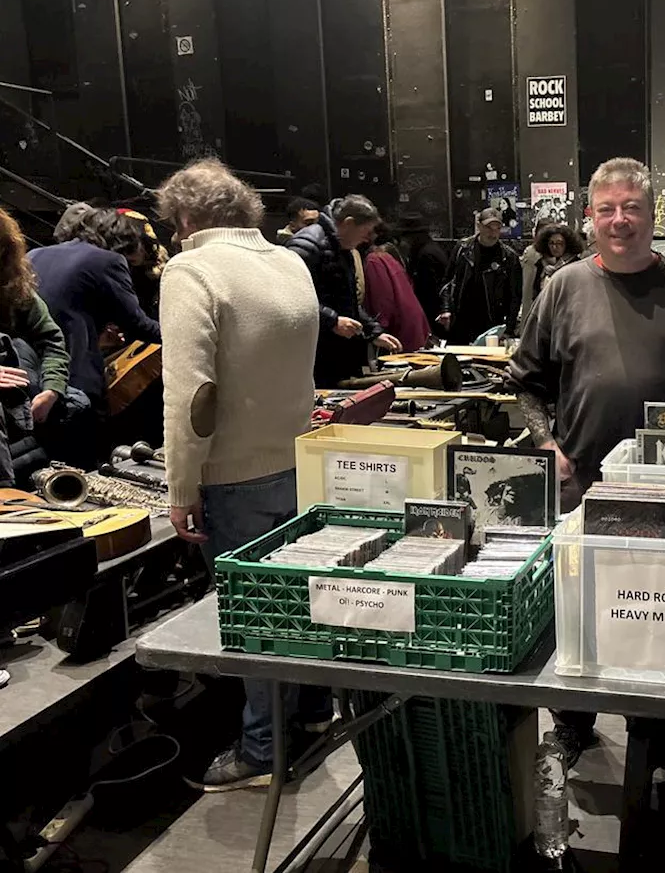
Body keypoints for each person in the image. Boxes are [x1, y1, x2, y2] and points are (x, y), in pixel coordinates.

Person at [506, 157, 665, 763]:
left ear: (650, 215)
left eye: (631, 208)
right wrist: (545, 443)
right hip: (583, 484)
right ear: (590, 217)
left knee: (663, 607)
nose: (619, 220)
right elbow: (527, 381)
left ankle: (661, 726)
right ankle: (575, 721)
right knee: (580, 607)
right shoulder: (563, 288)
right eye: (606, 209)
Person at [154, 158, 332, 792]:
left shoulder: (191, 269)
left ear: (185, 217)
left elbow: (191, 396)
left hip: (235, 474)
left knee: (257, 619)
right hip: (302, 463)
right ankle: (311, 718)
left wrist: (180, 489)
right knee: (303, 604)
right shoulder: (290, 263)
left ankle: (261, 752)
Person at [29, 205, 162, 411]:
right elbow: (138, 325)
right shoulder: (107, 260)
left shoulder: (34, 255)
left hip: (29, 373)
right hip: (71, 385)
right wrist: (184, 338)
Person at [286, 195, 401, 387]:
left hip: (339, 353)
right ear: (348, 223)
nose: (368, 239)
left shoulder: (342, 247)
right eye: (366, 232)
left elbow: (347, 302)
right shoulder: (306, 245)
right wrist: (332, 321)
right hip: (316, 357)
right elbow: (292, 298)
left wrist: (373, 332)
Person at [0, 208, 70, 485]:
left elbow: (51, 340)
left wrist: (52, 389)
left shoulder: (13, 288)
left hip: (18, 399)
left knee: (77, 404)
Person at [438, 207, 522, 344]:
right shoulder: (462, 249)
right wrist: (445, 309)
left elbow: (515, 297)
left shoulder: (508, 257)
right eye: (489, 227)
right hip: (462, 320)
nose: (493, 233)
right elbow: (447, 282)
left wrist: (508, 329)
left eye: (497, 228)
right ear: (479, 226)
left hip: (492, 322)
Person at [363, 244, 431, 352]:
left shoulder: (374, 261)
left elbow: (382, 299)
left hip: (398, 328)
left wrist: (378, 328)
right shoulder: (391, 261)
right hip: (413, 323)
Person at [531, 221, 583, 302]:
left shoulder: (576, 264)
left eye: (559, 243)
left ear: (567, 244)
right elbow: (535, 291)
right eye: (551, 243)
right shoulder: (541, 263)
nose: (554, 247)